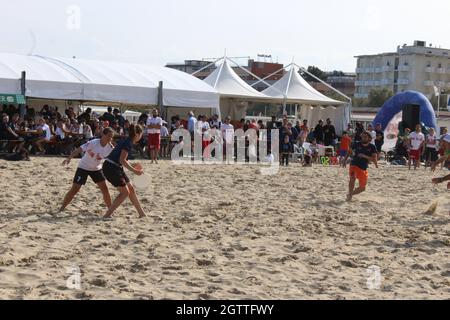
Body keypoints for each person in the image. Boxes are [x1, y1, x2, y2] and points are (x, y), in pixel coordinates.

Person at [59, 128, 115, 212]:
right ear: (103, 135)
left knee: (105, 188)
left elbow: (118, 158)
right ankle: (62, 208)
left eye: (112, 137)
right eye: (109, 136)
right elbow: (79, 149)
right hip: (83, 167)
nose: (110, 138)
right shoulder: (93, 143)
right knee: (75, 189)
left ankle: (110, 210)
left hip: (96, 169)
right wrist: (69, 158)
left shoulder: (110, 148)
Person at [102, 124, 146, 219]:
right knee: (124, 193)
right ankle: (107, 215)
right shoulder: (128, 142)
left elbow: (121, 159)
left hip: (115, 166)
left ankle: (141, 213)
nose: (141, 136)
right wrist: (135, 171)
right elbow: (122, 160)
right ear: (137, 134)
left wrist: (132, 165)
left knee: (131, 189)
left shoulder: (127, 139)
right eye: (141, 134)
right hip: (111, 167)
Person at [347, 131, 378, 201]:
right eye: (362, 137)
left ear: (369, 138)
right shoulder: (357, 144)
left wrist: (364, 156)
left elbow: (373, 159)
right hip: (354, 164)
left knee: (362, 188)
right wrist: (344, 160)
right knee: (352, 178)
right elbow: (349, 151)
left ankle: (350, 194)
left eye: (365, 137)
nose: (363, 138)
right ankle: (349, 195)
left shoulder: (372, 147)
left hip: (363, 168)